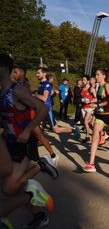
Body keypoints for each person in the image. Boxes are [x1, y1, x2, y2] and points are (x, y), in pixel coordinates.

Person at [0, 54, 58, 228]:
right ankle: (39, 216)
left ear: (3, 69)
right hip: (9, 143)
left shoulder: (15, 90)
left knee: (8, 190)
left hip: (23, 143)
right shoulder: (1, 91)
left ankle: (40, 165)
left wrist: (26, 130)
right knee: (17, 188)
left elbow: (42, 108)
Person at [35, 67, 80, 139]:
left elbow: (44, 98)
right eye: (36, 73)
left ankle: (73, 130)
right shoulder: (41, 83)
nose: (36, 75)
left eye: (38, 73)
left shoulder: (47, 84)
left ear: (44, 73)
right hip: (41, 108)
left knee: (56, 129)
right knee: (34, 123)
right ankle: (38, 138)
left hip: (46, 109)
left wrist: (34, 95)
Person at [80, 75, 96, 142]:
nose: (83, 81)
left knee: (86, 121)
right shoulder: (82, 88)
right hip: (84, 107)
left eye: (84, 80)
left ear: (88, 81)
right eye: (82, 79)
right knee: (88, 123)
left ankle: (87, 136)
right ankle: (100, 133)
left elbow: (96, 98)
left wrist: (90, 101)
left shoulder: (91, 89)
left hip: (90, 107)